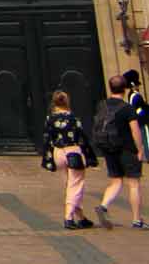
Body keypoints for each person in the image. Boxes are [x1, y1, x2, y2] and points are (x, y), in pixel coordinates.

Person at [96, 73, 146, 228]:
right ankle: (137, 220)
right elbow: (135, 131)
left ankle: (104, 205)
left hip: (109, 148)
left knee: (116, 181)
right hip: (127, 149)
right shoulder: (127, 108)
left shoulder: (102, 105)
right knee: (133, 184)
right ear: (124, 89)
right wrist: (140, 149)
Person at [44, 89, 96, 228]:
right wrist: (90, 156)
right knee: (75, 185)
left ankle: (81, 217)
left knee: (69, 185)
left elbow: (47, 138)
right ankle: (68, 217)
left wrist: (48, 159)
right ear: (67, 101)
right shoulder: (73, 118)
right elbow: (82, 138)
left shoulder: (50, 119)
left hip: (58, 152)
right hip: (73, 151)